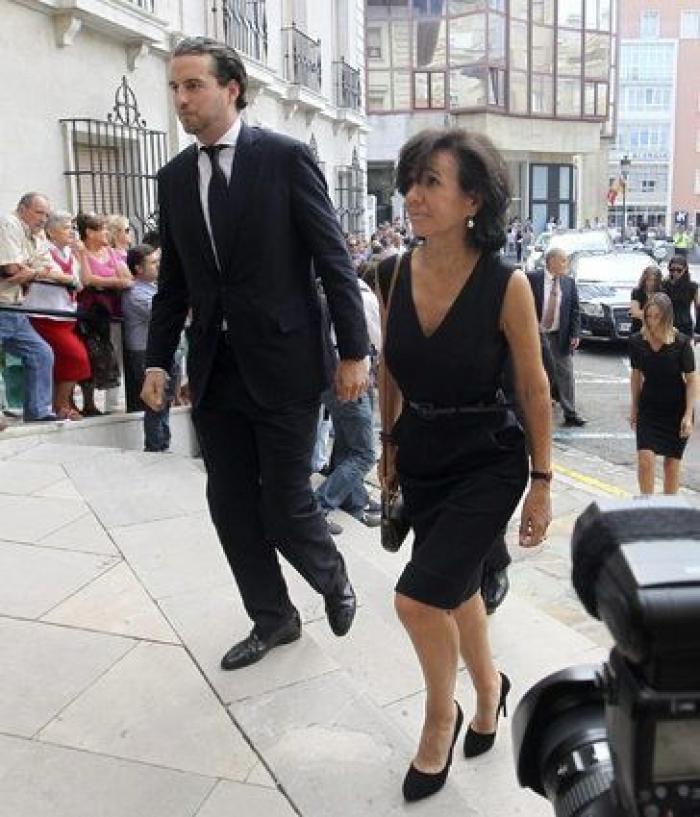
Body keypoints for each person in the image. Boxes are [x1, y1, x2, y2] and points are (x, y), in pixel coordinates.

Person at [140, 37, 369, 671]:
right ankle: (273, 618)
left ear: (231, 88)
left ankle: (331, 575)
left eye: (194, 86)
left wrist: (355, 351)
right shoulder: (176, 179)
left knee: (285, 500)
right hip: (217, 370)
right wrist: (159, 361)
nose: (183, 100)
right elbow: (175, 284)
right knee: (229, 503)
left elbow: (333, 262)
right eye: (175, 89)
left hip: (288, 365)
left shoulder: (287, 159)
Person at [378, 128, 552, 802]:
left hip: (488, 458)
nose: (414, 196)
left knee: (417, 597)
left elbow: (535, 389)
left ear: (473, 198)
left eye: (431, 182)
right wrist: (389, 447)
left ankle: (438, 715)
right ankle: (488, 691)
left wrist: (541, 483)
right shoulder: (393, 271)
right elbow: (393, 364)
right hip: (421, 453)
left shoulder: (507, 284)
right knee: (457, 589)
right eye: (411, 182)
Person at [315, 274, 381, 528]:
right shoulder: (363, 298)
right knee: (363, 453)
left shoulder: (328, 291)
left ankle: (353, 499)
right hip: (348, 377)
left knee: (346, 443)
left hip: (326, 374)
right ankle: (318, 506)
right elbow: (379, 341)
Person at [24, 211, 90, 419]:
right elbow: (50, 273)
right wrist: (69, 280)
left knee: (61, 361)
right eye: (65, 228)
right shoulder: (45, 250)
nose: (71, 232)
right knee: (76, 357)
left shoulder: (70, 253)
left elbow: (82, 282)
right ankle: (59, 404)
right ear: (51, 232)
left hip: (66, 315)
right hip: (45, 316)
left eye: (72, 227)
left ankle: (59, 405)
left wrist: (82, 255)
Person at [629, 293, 696, 494]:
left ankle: (669, 511)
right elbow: (635, 376)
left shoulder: (682, 343)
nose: (651, 321)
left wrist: (688, 415)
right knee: (645, 458)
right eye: (648, 316)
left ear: (667, 317)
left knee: (671, 465)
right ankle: (647, 506)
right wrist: (634, 408)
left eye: (657, 316)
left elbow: (692, 380)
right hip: (649, 407)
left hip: (676, 409)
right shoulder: (637, 341)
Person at [0, 192, 57, 422]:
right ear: (22, 209)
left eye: (46, 214)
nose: (43, 219)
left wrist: (29, 271)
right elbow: (12, 270)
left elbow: (48, 269)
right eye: (39, 212)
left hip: (14, 307)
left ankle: (38, 411)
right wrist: (31, 270)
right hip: (2, 304)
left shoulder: (37, 234)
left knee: (41, 353)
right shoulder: (9, 223)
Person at [75, 213, 133, 416]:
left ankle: (113, 403)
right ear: (90, 233)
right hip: (90, 313)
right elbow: (87, 279)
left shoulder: (111, 252)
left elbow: (127, 280)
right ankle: (89, 403)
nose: (108, 233)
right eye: (103, 229)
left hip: (112, 311)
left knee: (113, 355)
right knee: (91, 355)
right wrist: (111, 281)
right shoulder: (80, 253)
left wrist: (102, 283)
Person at [123, 243, 176, 451]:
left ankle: (163, 442)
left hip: (162, 352)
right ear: (138, 268)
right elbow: (162, 316)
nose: (158, 266)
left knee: (165, 401)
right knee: (155, 401)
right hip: (146, 352)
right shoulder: (135, 293)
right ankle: (156, 446)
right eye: (153, 263)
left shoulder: (154, 289)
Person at [529, 247, 586, 427]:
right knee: (536, 371)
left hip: (558, 335)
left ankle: (570, 412)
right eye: (563, 261)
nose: (566, 265)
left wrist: (575, 333)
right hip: (535, 334)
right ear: (551, 261)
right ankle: (532, 410)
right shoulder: (532, 279)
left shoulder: (569, 283)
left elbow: (575, 310)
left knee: (566, 373)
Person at [662, 255, 699, 339]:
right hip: (666, 324)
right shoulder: (664, 285)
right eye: (672, 270)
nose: (675, 273)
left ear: (685, 269)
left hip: (685, 326)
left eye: (679, 270)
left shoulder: (692, 286)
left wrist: (697, 330)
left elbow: (698, 308)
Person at [629, 265, 662, 335]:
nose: (652, 283)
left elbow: (664, 313)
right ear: (644, 279)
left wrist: (643, 314)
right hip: (638, 329)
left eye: (654, 280)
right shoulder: (637, 292)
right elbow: (635, 312)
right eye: (649, 280)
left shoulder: (662, 293)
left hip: (657, 331)